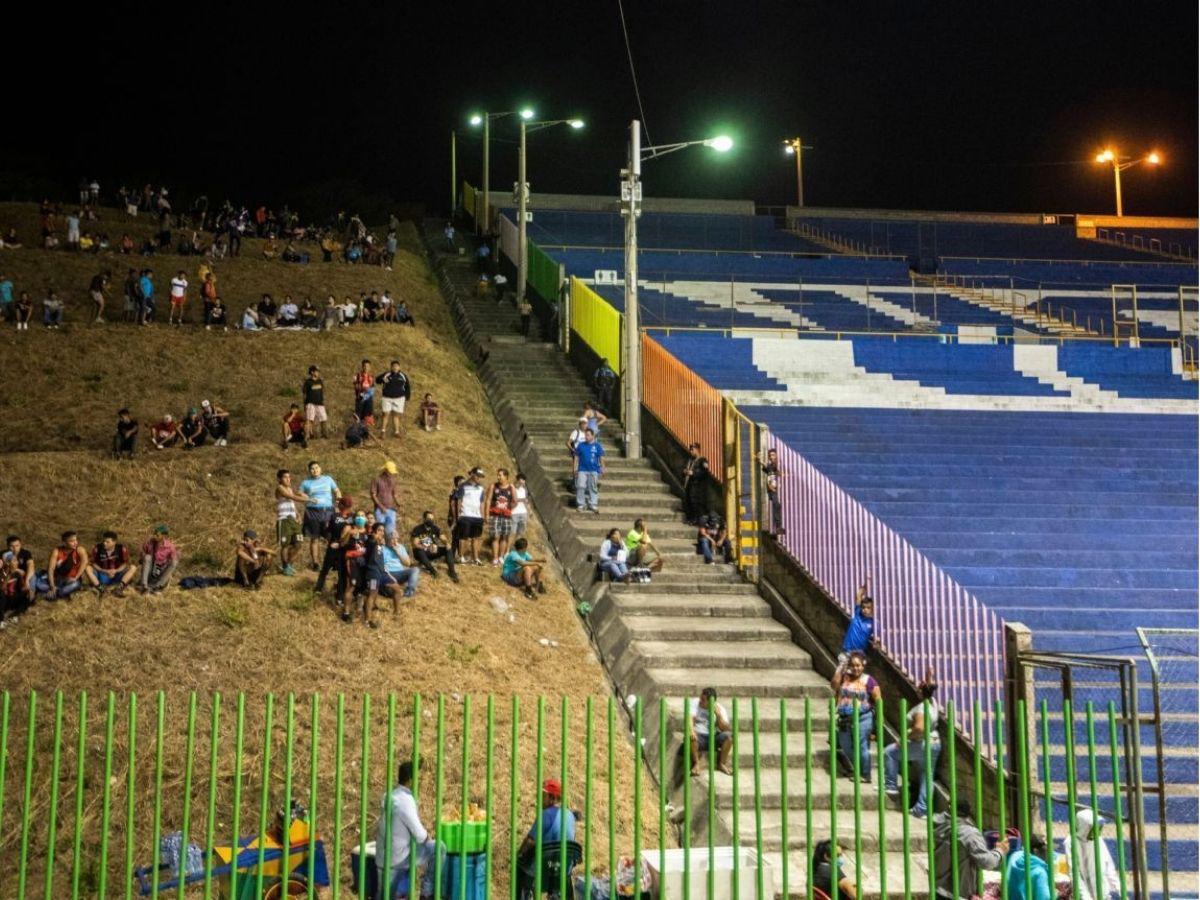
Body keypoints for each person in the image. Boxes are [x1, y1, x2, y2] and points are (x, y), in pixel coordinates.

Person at [376, 762, 445, 900]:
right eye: (418, 778)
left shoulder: (388, 795)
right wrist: (427, 837)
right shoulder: (405, 801)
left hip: (382, 857)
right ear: (410, 780)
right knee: (438, 848)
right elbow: (419, 835)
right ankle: (426, 893)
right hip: (398, 858)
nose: (421, 782)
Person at [884, 672, 940, 818]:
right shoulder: (933, 703)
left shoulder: (921, 708)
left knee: (890, 752)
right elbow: (930, 689)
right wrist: (929, 676)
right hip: (935, 743)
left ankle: (890, 785)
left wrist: (904, 738)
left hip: (922, 743)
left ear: (921, 692)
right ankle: (922, 809)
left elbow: (919, 728)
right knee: (927, 775)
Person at [932, 799, 1008, 900]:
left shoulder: (935, 823)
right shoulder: (968, 833)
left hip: (937, 888)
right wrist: (1000, 851)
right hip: (956, 892)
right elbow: (988, 862)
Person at [515, 779, 576, 898]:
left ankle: (524, 895)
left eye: (543, 795)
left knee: (520, 866)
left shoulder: (545, 815)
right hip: (564, 869)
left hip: (545, 869)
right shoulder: (570, 815)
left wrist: (519, 853)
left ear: (552, 798)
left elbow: (530, 841)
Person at [831, 650, 881, 782]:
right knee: (845, 744)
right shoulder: (844, 677)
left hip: (863, 717)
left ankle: (865, 774)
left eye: (858, 665)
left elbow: (878, 699)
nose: (855, 668)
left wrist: (877, 723)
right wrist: (840, 667)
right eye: (852, 665)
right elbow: (834, 685)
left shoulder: (869, 680)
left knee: (862, 746)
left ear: (863, 665)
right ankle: (858, 769)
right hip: (844, 718)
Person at [1069, 808, 1121, 900]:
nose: (1097, 832)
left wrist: (1119, 890)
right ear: (1084, 827)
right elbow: (1074, 873)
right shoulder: (1070, 842)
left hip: (1103, 892)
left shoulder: (1098, 840)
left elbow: (1108, 865)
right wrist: (1086, 897)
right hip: (1085, 894)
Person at [300, 461, 341, 570]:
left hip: (328, 511)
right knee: (315, 538)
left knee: (331, 537)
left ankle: (334, 562)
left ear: (320, 468)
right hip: (312, 512)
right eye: (312, 468)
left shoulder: (328, 479)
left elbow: (337, 491)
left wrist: (338, 503)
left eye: (316, 467)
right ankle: (316, 563)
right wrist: (308, 498)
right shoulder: (306, 482)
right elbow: (299, 493)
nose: (315, 470)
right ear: (309, 471)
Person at [314, 497, 355, 596]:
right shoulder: (334, 516)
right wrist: (330, 541)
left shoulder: (352, 517)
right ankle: (318, 588)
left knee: (342, 572)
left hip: (344, 548)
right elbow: (329, 531)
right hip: (333, 546)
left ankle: (340, 595)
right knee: (326, 569)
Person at [690, 688, 733, 776]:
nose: (700, 701)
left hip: (713, 736)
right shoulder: (695, 702)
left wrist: (718, 715)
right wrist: (692, 730)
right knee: (692, 738)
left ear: (710, 702)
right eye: (701, 698)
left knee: (729, 737)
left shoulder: (719, 708)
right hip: (699, 735)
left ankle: (721, 764)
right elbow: (690, 718)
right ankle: (696, 763)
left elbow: (725, 728)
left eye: (703, 700)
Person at [275, 469, 310, 576]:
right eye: (285, 477)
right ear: (279, 479)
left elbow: (292, 503)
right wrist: (307, 500)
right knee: (285, 545)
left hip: (293, 520)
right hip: (284, 519)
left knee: (298, 543)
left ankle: (288, 565)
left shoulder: (290, 489)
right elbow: (291, 497)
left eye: (289, 477)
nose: (288, 479)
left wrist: (298, 515)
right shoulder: (280, 488)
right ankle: (285, 566)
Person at [35, 531, 88, 599]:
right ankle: (57, 592)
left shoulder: (79, 549)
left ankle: (53, 594)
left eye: (76, 540)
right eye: (72, 541)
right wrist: (52, 586)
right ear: (64, 542)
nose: (75, 543)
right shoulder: (57, 551)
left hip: (71, 580)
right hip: (57, 579)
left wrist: (76, 577)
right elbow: (51, 569)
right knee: (38, 584)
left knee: (75, 585)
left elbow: (85, 562)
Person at [410, 511, 459, 582]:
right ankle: (433, 571)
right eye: (429, 519)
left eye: (432, 519)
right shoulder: (418, 529)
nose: (431, 521)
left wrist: (447, 543)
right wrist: (427, 547)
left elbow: (443, 538)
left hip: (432, 551)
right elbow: (415, 544)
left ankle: (452, 572)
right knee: (420, 551)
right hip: (421, 553)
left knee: (447, 549)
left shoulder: (435, 528)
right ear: (424, 519)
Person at [85, 531, 137, 598]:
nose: (104, 543)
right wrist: (104, 570)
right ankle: (101, 589)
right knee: (87, 568)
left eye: (107, 542)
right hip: (102, 575)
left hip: (117, 574)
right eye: (104, 541)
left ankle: (119, 588)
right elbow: (93, 563)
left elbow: (125, 563)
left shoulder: (121, 549)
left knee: (133, 567)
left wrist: (116, 570)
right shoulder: (97, 548)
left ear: (114, 542)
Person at [453, 467, 487, 565]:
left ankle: (475, 558)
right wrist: (458, 515)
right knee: (463, 537)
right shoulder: (463, 486)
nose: (479, 478)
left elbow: (482, 503)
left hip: (477, 517)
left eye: (480, 476)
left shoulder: (481, 488)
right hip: (465, 515)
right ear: (472, 474)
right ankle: (461, 557)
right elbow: (458, 500)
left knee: (476, 537)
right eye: (477, 475)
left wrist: (482, 516)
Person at [840, 578, 876, 665]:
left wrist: (876, 643)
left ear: (872, 609)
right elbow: (858, 596)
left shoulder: (873, 623)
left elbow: (876, 638)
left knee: (856, 671)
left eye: (868, 608)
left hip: (860, 653)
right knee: (841, 670)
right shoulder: (858, 614)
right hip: (847, 650)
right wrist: (866, 584)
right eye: (863, 607)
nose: (865, 610)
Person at [1006, 835, 1053, 900]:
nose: (1048, 853)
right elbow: (1044, 897)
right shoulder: (1040, 872)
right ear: (1036, 851)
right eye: (1046, 850)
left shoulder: (1014, 858)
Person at [485, 468, 516, 565]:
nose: (498, 477)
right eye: (498, 475)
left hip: (506, 516)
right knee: (495, 537)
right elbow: (488, 500)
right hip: (495, 515)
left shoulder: (511, 487)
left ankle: (501, 557)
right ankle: (495, 557)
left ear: (506, 476)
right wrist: (486, 514)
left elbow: (515, 501)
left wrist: (509, 509)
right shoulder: (493, 486)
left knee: (504, 537)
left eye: (500, 475)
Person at [2, 536, 36, 619]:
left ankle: (31, 595)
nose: (14, 549)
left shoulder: (25, 553)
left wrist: (27, 583)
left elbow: (31, 566)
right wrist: (12, 571)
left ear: (20, 545)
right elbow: (3, 584)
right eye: (12, 546)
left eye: (17, 546)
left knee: (32, 579)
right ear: (7, 546)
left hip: (23, 576)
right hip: (7, 582)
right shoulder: (4, 555)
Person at [140, 525, 179, 594]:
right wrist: (144, 556)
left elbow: (174, 559)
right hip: (150, 569)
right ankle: (144, 586)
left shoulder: (170, 547)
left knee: (174, 562)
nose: (155, 536)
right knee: (147, 557)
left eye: (157, 535)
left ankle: (158, 586)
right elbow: (142, 552)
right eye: (154, 534)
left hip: (160, 569)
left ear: (163, 536)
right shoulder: (150, 543)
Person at [574, 428, 605, 513]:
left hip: (593, 470)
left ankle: (593, 504)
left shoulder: (597, 446)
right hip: (582, 469)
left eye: (588, 435)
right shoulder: (581, 445)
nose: (586, 437)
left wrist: (603, 468)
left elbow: (601, 457)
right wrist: (575, 468)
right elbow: (576, 457)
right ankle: (581, 504)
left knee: (593, 487)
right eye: (585, 435)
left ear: (592, 436)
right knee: (580, 486)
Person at [378, 361, 411, 439]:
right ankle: (383, 432)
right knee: (386, 414)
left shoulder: (403, 376)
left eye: (397, 366)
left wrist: (407, 397)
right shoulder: (387, 374)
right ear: (391, 367)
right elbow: (377, 380)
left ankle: (396, 432)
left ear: (399, 367)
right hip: (387, 398)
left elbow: (407, 387)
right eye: (393, 366)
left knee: (396, 415)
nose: (395, 367)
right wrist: (382, 379)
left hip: (399, 399)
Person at [682, 443, 712, 524]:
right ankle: (691, 518)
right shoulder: (690, 460)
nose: (691, 451)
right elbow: (685, 469)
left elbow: (704, 472)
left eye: (692, 449)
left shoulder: (702, 460)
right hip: (689, 485)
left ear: (697, 450)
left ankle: (696, 519)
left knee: (696, 503)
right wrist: (684, 471)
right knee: (689, 502)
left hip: (697, 487)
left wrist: (693, 473)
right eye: (690, 449)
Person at [371, 461, 401, 537]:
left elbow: (394, 494)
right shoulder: (376, 479)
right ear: (385, 470)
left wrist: (398, 503)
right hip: (379, 510)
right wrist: (381, 507)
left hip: (391, 509)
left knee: (390, 532)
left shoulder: (393, 480)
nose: (392, 474)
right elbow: (373, 495)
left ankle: (389, 544)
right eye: (390, 472)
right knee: (379, 531)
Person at [301, 366, 328, 440]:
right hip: (311, 403)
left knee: (323, 418)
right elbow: (304, 393)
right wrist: (305, 404)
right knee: (310, 419)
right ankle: (308, 434)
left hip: (320, 403)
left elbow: (322, 391)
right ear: (312, 372)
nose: (317, 373)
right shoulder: (308, 382)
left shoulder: (320, 381)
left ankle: (324, 434)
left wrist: (323, 400)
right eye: (316, 371)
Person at [763, 447, 784, 536]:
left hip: (777, 489)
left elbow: (780, 473)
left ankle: (778, 527)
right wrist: (770, 487)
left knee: (777, 505)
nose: (772, 457)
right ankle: (778, 527)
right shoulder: (770, 466)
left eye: (773, 455)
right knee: (776, 505)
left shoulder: (777, 465)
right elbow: (769, 477)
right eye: (770, 455)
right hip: (773, 490)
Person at [353, 359, 375, 423]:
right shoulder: (357, 376)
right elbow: (356, 387)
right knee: (358, 417)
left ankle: (365, 426)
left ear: (370, 367)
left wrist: (368, 393)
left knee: (367, 417)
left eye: (368, 366)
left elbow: (372, 388)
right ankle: (358, 427)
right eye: (364, 366)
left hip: (368, 399)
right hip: (360, 399)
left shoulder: (371, 377)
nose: (366, 368)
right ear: (362, 367)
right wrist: (363, 390)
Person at [511, 473, 530, 539]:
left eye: (524, 480)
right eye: (521, 480)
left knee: (520, 533)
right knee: (512, 533)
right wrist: (522, 500)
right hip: (514, 513)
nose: (523, 482)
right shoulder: (512, 488)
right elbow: (512, 500)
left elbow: (526, 501)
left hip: (523, 513)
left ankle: (516, 545)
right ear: (517, 480)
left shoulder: (524, 489)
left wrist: (528, 512)